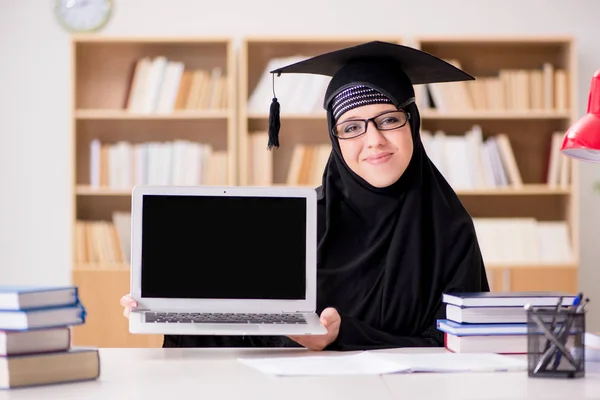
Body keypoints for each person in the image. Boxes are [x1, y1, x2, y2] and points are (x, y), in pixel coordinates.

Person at [120, 41, 490, 351]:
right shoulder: (301, 222)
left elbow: (461, 345)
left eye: (389, 119)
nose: (373, 139)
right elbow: (238, 331)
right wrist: (169, 305)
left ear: (413, 122)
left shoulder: (450, 230)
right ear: (334, 138)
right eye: (351, 127)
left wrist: (341, 335)